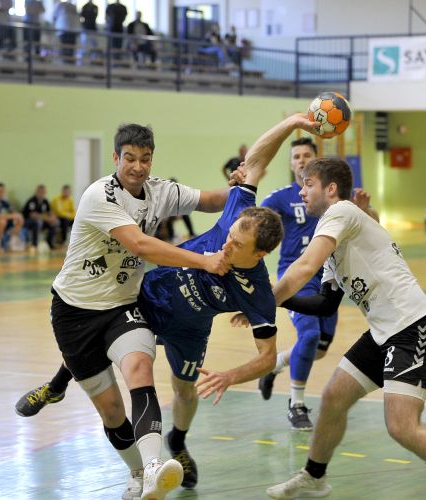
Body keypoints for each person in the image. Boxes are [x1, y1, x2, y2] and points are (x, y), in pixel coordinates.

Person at [17, 115, 323, 494]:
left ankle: (176, 441)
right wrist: (291, 123)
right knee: (103, 338)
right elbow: (255, 163)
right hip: (149, 295)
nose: (227, 244)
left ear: (259, 254)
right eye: (229, 235)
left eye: (237, 245)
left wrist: (230, 376)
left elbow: (267, 356)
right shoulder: (229, 218)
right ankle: (58, 386)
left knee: (184, 391)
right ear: (116, 157)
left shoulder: (256, 291)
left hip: (189, 329)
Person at [264, 157, 426, 499]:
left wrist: (268, 300)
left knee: (402, 426)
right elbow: (326, 303)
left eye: (308, 184)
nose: (301, 191)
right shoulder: (335, 233)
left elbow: (305, 266)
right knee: (333, 397)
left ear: (331, 189)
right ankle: (314, 477)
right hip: (384, 332)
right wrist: (280, 302)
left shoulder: (341, 212)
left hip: (412, 326)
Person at [257, 137, 378, 431]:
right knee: (309, 336)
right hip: (297, 274)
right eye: (296, 156)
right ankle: (296, 405)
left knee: (319, 348)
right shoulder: (282, 197)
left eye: (306, 155)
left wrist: (366, 209)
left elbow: (373, 224)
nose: (301, 160)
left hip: (330, 275)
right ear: (290, 164)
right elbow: (254, 221)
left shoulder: (334, 197)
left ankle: (275, 365)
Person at [0, 182, 25, 251]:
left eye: (3, 191)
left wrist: (16, 215)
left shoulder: (5, 200)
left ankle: (12, 241)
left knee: (20, 218)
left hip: (3, 219)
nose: (1, 193)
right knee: (2, 222)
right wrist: (11, 216)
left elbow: (12, 211)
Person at [22, 184, 57, 251]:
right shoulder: (31, 201)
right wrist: (47, 218)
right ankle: (34, 244)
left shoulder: (45, 201)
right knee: (37, 222)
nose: (42, 193)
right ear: (36, 192)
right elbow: (33, 215)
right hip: (28, 221)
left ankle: (49, 243)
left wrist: (53, 218)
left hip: (42, 220)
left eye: (43, 192)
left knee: (54, 223)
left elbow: (49, 212)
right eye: (40, 192)